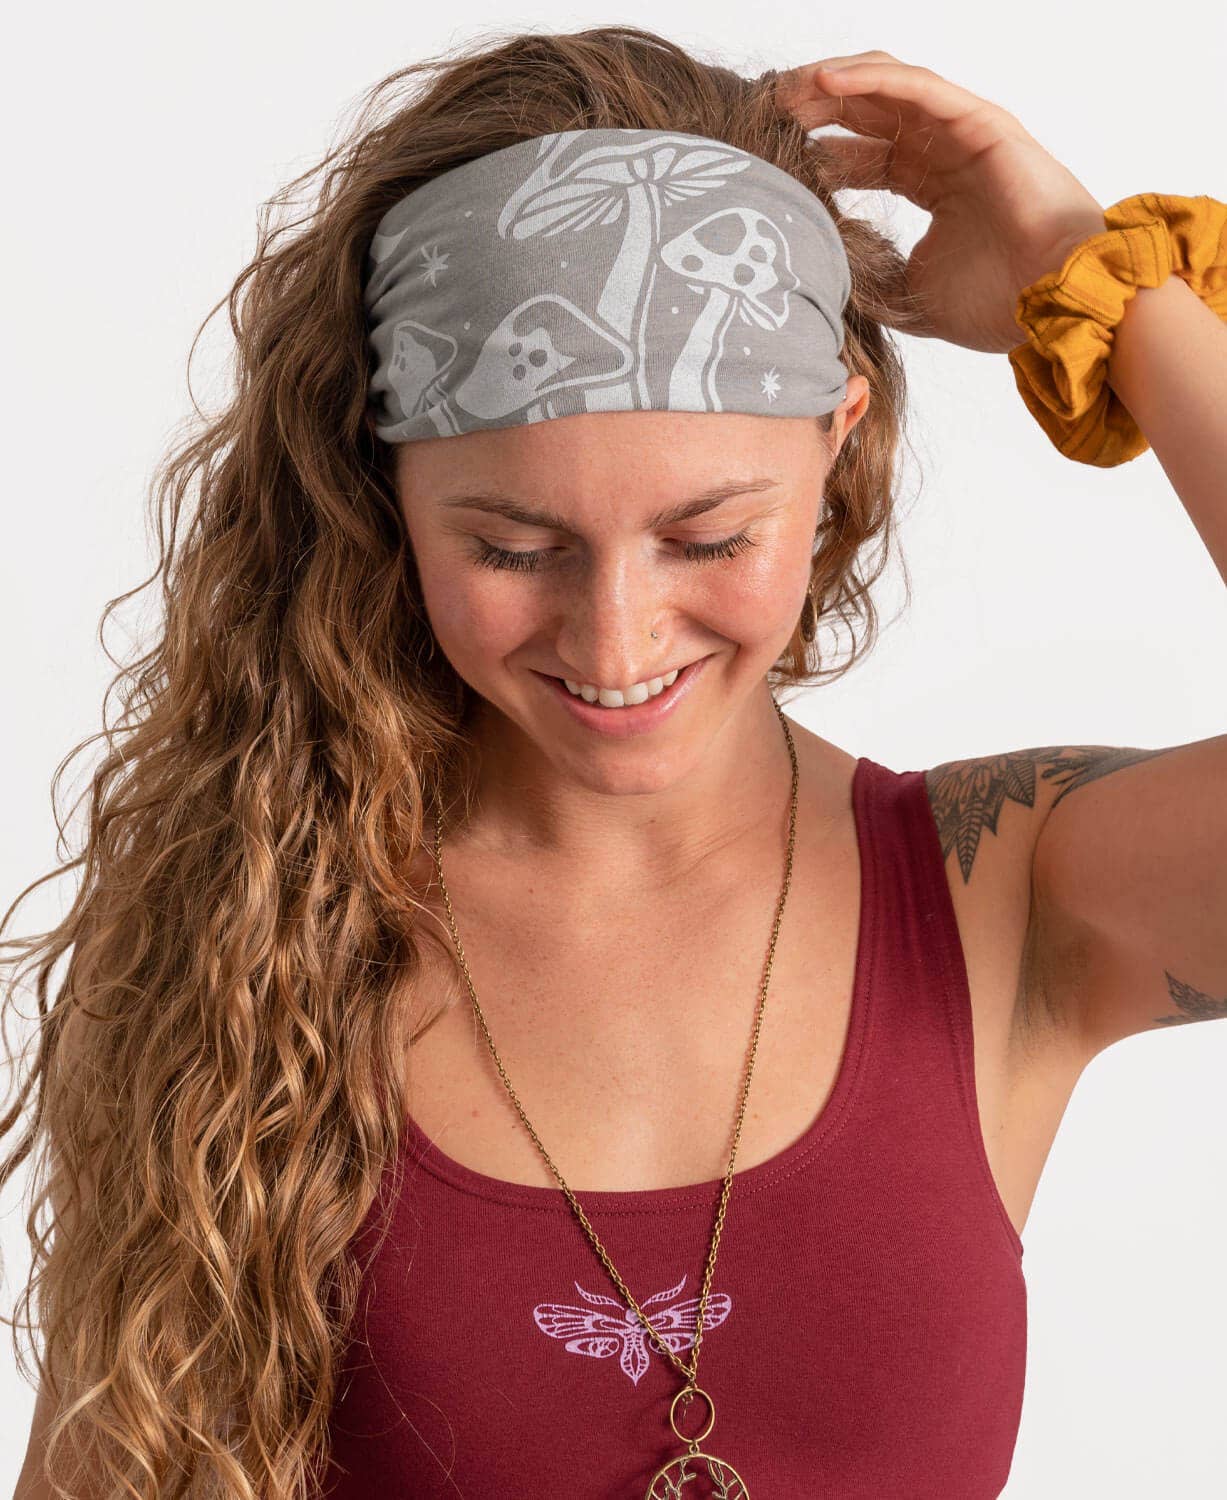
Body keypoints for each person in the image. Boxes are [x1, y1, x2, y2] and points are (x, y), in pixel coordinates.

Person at [6, 23, 1226, 1500]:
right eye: (514, 547)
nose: (617, 636)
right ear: (386, 491)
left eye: (709, 537)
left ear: (837, 440)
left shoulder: (1003, 888)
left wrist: (1094, 276)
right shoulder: (253, 931)